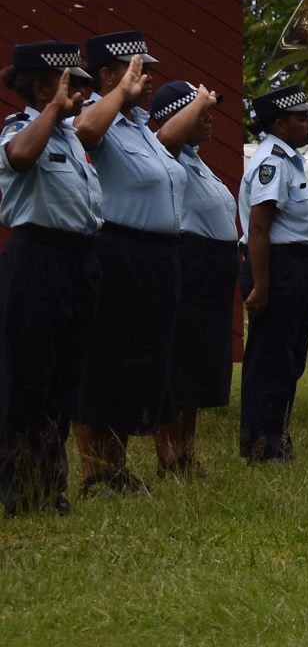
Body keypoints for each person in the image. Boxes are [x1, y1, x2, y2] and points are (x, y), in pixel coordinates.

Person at [72, 31, 189, 493]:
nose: (149, 77)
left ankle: (116, 465)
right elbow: (85, 132)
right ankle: (95, 471)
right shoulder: (96, 116)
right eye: (138, 68)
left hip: (157, 257)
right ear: (107, 75)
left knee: (139, 362)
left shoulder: (139, 123)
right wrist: (119, 94)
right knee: (104, 361)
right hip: (118, 249)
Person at [1, 42, 114, 513]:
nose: (84, 91)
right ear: (43, 86)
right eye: (73, 82)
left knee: (65, 379)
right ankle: (20, 490)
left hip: (79, 261)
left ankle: (50, 483)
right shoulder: (20, 128)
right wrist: (51, 110)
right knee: (28, 378)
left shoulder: (69, 135)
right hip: (38, 260)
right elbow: (21, 158)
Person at [152, 79, 238, 478]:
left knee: (199, 366)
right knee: (179, 365)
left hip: (212, 272)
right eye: (201, 113)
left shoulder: (196, 159)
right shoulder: (165, 151)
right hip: (190, 264)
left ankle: (186, 453)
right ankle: (169, 457)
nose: (209, 121)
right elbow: (164, 138)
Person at [238, 82, 308, 464]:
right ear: (279, 125)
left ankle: (275, 435)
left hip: (299, 264)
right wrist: (262, 284)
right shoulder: (271, 161)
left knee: (290, 358)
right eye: (300, 117)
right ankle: (260, 443)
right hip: (278, 264)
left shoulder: (290, 159)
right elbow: (259, 228)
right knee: (270, 358)